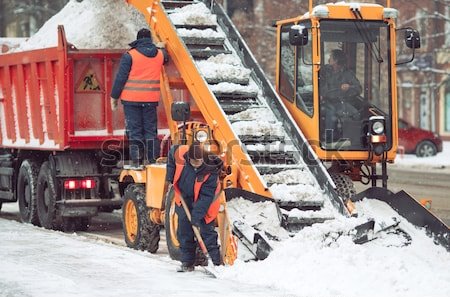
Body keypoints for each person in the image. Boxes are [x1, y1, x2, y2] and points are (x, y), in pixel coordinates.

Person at [110, 28, 168, 168]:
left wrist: (114, 97)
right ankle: (153, 160)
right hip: (150, 100)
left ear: (137, 39)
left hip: (131, 101)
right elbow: (166, 57)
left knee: (135, 131)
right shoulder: (160, 55)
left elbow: (120, 78)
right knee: (150, 131)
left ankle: (137, 161)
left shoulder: (130, 55)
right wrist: (161, 47)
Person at [165, 142, 223, 272]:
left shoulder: (210, 170)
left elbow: (206, 197)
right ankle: (187, 262)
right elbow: (171, 154)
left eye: (199, 161)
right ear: (188, 158)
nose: (197, 164)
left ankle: (216, 263)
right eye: (194, 162)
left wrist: (196, 216)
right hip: (184, 198)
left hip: (206, 202)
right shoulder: (180, 154)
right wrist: (170, 175)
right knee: (184, 231)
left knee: (206, 231)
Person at [319, 49, 362, 142]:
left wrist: (349, 87)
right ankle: (328, 139)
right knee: (331, 113)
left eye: (331, 57)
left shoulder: (348, 74)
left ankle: (353, 140)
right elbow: (316, 84)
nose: (328, 59)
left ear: (336, 60)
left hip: (341, 102)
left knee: (355, 113)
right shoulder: (324, 71)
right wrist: (320, 94)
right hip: (325, 101)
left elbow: (358, 88)